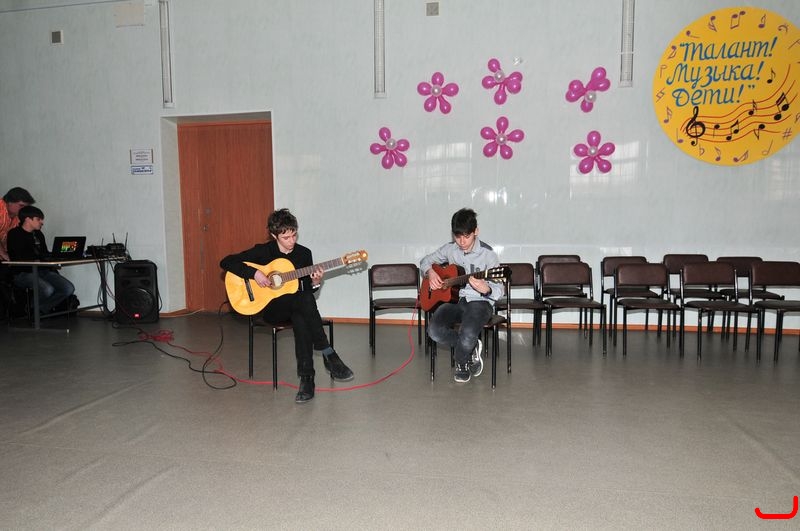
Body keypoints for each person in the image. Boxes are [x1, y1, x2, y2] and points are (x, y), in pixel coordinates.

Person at [220, 208, 354, 403]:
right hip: (271, 309)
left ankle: (307, 380)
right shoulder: (264, 251)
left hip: (297, 307)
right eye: (286, 237)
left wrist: (315, 282)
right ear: (274, 236)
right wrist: (254, 273)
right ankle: (328, 352)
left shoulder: (304, 254)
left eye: (294, 235)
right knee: (303, 304)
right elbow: (226, 261)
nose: (292, 241)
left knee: (301, 312)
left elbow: (307, 290)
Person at [420, 208, 505, 383]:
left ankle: (462, 362)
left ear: (476, 231)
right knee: (433, 331)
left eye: (466, 236)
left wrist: (486, 289)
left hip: (480, 303)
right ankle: (471, 346)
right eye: (458, 237)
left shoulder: (488, 254)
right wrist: (431, 273)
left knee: (467, 333)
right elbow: (425, 261)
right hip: (456, 301)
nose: (462, 242)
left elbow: (500, 289)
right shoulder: (450, 249)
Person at [6, 205, 75, 315]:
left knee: (68, 288)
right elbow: (19, 257)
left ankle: (38, 310)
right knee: (47, 289)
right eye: (38, 219)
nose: (41, 222)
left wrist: (55, 257)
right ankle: (35, 312)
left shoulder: (38, 234)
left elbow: (44, 253)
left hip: (42, 271)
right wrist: (39, 259)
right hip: (22, 273)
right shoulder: (14, 234)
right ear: (27, 219)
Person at [0, 187, 36, 261]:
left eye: (26, 207)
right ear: (9, 202)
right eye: (21, 205)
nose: (23, 209)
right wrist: (3, 253)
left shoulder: (18, 216)